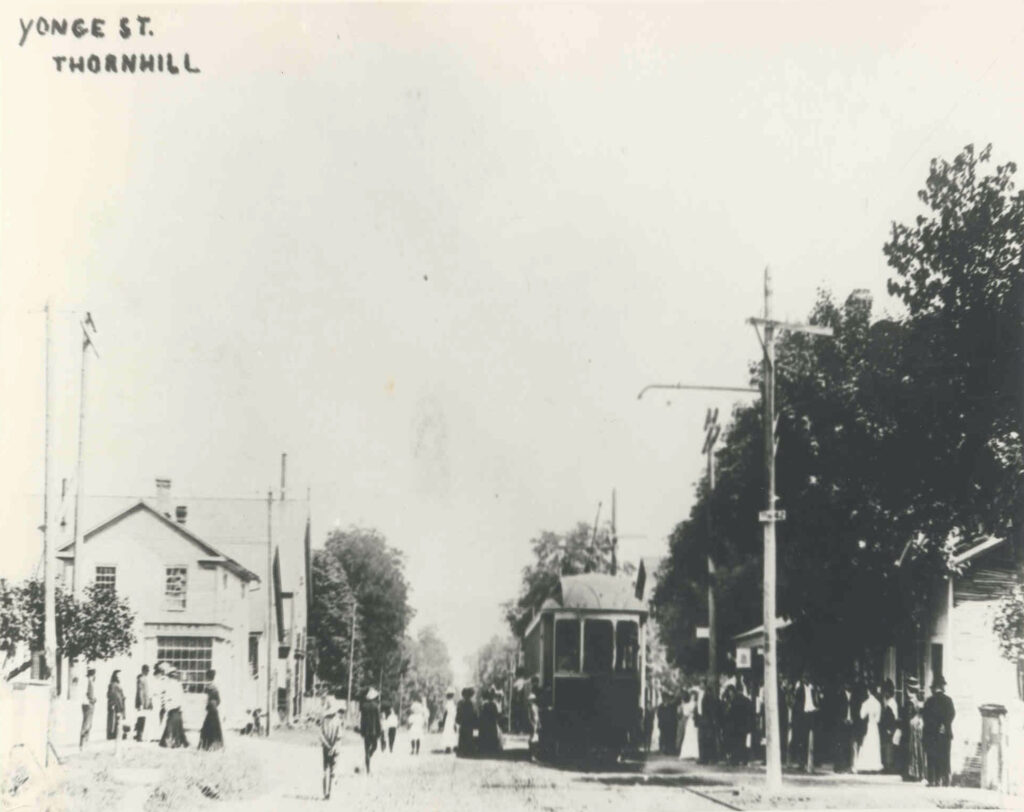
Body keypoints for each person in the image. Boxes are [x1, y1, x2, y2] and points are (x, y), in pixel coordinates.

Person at [921, 676, 955, 787]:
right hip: (944, 733)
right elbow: (951, 715)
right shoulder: (948, 700)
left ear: (934, 688)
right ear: (942, 687)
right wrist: (945, 725)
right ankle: (944, 779)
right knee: (944, 756)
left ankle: (933, 779)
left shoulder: (929, 701)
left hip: (931, 734)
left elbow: (925, 716)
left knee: (932, 756)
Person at [854, 684, 883, 772]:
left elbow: (862, 716)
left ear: (868, 692)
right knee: (874, 744)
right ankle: (874, 766)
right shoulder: (878, 704)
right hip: (874, 726)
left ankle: (865, 765)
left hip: (868, 725)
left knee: (866, 743)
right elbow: (878, 719)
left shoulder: (866, 703)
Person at [902, 679, 927, 783]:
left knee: (913, 749)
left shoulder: (910, 702)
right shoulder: (920, 702)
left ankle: (914, 773)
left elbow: (908, 717)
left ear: (908, 690)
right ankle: (920, 772)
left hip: (912, 727)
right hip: (919, 727)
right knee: (919, 749)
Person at [159, 669, 190, 748]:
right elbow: (180, 696)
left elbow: (168, 696)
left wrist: (166, 704)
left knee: (172, 723)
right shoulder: (177, 685)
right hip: (176, 706)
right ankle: (177, 740)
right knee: (176, 723)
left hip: (173, 705)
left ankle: (171, 740)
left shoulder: (170, 685)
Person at [319, 699, 342, 800]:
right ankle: (332, 793)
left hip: (325, 748)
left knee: (325, 769)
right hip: (336, 748)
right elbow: (339, 736)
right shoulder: (338, 721)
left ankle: (325, 793)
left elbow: (321, 735)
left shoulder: (324, 720)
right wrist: (333, 746)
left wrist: (327, 745)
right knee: (333, 770)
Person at [833, 679, 856, 773]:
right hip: (841, 724)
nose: (849, 686)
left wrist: (852, 719)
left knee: (848, 746)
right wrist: (843, 720)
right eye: (847, 684)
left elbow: (856, 710)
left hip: (851, 723)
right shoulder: (839, 695)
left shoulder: (854, 696)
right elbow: (836, 711)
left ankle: (847, 766)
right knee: (840, 745)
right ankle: (838, 767)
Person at [199, 669, 224, 751]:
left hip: (210, 708)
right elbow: (219, 700)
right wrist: (215, 704)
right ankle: (215, 745)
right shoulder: (215, 687)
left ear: (207, 677)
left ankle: (206, 745)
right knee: (215, 727)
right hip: (214, 709)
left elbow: (205, 699)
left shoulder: (207, 687)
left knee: (207, 726)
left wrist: (208, 706)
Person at [360, 687, 382, 774]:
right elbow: (377, 720)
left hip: (366, 731)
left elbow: (362, 720)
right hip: (374, 731)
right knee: (375, 747)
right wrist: (379, 731)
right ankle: (369, 756)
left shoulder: (364, 706)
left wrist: (362, 730)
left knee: (366, 748)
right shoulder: (376, 706)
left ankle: (368, 769)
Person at [698, 679, 719, 764]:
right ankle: (703, 758)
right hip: (701, 719)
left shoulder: (708, 695)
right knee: (702, 739)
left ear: (705, 685)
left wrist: (712, 719)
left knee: (708, 739)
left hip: (707, 720)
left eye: (702, 683)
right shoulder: (700, 694)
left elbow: (711, 708)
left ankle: (711, 758)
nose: (700, 685)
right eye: (700, 684)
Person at [879, 679, 899, 773]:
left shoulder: (892, 703)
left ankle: (889, 765)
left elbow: (893, 717)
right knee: (886, 745)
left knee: (889, 745)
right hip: (886, 727)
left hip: (890, 727)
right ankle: (886, 764)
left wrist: (890, 728)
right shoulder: (887, 702)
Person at [477, 688, 503, 755]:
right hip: (491, 721)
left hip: (487, 721)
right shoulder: (492, 704)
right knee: (492, 733)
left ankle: (486, 747)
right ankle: (491, 747)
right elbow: (496, 714)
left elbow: (481, 713)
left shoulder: (486, 704)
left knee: (487, 733)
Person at [455, 687, 478, 757]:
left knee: (463, 735)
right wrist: (475, 722)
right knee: (469, 735)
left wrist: (458, 720)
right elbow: (474, 713)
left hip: (463, 722)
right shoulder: (472, 703)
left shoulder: (461, 703)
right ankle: (469, 750)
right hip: (469, 722)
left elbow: (458, 712)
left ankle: (462, 750)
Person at [678, 689, 700, 760]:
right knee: (688, 736)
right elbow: (685, 713)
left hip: (695, 721)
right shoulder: (689, 704)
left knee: (695, 737)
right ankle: (687, 753)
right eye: (691, 695)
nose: (692, 697)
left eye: (694, 696)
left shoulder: (697, 703)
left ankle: (695, 753)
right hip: (690, 721)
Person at [134, 665, 153, 742]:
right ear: (143, 670)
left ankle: (141, 735)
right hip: (142, 703)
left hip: (146, 702)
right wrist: (141, 703)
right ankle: (139, 736)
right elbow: (140, 692)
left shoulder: (145, 679)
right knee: (141, 719)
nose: (148, 672)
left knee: (143, 719)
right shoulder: (141, 679)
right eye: (147, 670)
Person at [80, 668, 97, 749]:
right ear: (93, 675)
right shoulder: (90, 682)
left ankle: (83, 743)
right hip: (88, 704)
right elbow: (89, 695)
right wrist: (94, 700)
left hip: (84, 704)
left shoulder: (85, 681)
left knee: (86, 723)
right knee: (87, 724)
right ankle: (84, 743)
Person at [107, 670, 126, 741]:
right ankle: (114, 735)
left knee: (118, 722)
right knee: (115, 721)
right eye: (118, 676)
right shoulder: (113, 685)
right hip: (116, 705)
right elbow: (111, 695)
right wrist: (112, 704)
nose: (120, 677)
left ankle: (117, 734)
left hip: (119, 704)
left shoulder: (117, 685)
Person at [440, 688, 458, 753]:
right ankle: (451, 746)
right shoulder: (453, 704)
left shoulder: (448, 703)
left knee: (449, 732)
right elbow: (453, 712)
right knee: (451, 732)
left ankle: (449, 746)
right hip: (451, 718)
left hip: (449, 719)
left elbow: (446, 713)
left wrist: (443, 720)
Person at [527, 690, 542, 762]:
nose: (531, 701)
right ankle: (532, 756)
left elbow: (538, 716)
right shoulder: (530, 707)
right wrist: (532, 724)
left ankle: (534, 755)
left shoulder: (535, 707)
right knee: (533, 739)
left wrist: (539, 723)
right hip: (533, 723)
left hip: (536, 722)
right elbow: (529, 717)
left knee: (535, 740)